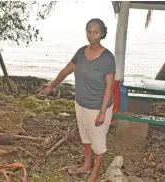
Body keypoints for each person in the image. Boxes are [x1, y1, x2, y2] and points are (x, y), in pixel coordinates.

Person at [41, 18, 116, 182]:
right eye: (89, 31)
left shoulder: (107, 58)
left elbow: (110, 87)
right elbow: (66, 70)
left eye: (95, 32)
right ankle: (86, 165)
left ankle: (95, 173)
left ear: (102, 34)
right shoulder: (81, 52)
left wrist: (102, 112)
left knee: (98, 142)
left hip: (97, 107)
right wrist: (52, 85)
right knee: (86, 137)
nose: (92, 35)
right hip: (80, 104)